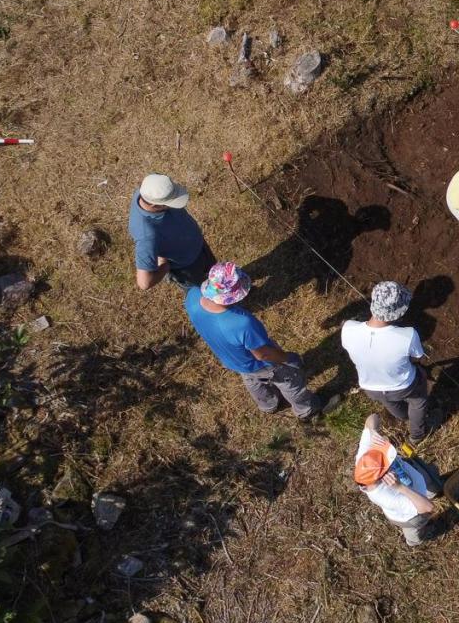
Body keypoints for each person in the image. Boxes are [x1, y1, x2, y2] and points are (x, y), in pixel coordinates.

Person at [184, 262, 337, 419]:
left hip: (234, 361)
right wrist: (288, 358)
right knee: (289, 381)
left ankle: (268, 404)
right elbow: (263, 355)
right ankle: (307, 410)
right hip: (263, 364)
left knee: (251, 379)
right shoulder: (242, 323)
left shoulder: (192, 296)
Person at [341, 281, 431, 441]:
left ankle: (403, 416)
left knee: (389, 401)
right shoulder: (408, 335)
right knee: (418, 402)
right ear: (398, 314)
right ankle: (417, 435)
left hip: (371, 387)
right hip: (404, 385)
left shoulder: (348, 328)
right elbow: (417, 357)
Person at [353, 413, 440, 546]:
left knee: (430, 485)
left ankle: (432, 491)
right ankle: (414, 541)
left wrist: (373, 431)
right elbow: (428, 508)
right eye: (387, 463)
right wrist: (400, 487)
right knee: (414, 529)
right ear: (382, 476)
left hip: (414, 479)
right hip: (410, 515)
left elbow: (372, 417)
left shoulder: (364, 459)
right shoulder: (387, 497)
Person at [128, 173, 215, 291]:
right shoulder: (147, 236)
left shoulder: (145, 192)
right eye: (171, 202)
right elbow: (144, 283)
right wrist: (165, 266)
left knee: (216, 272)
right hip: (187, 266)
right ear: (155, 205)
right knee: (208, 290)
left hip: (198, 245)